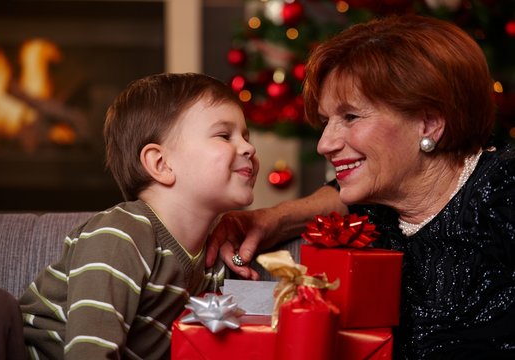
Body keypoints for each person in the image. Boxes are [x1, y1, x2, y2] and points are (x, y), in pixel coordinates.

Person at [207, 14, 515, 359]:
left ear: (428, 123)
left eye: (350, 117)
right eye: (326, 121)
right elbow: (337, 195)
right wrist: (273, 218)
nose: (325, 144)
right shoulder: (375, 209)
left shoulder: (504, 190)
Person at [0, 72, 258, 359]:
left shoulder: (210, 258)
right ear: (161, 163)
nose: (249, 147)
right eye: (225, 135)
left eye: (245, 136)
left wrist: (239, 262)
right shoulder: (121, 235)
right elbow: (90, 353)